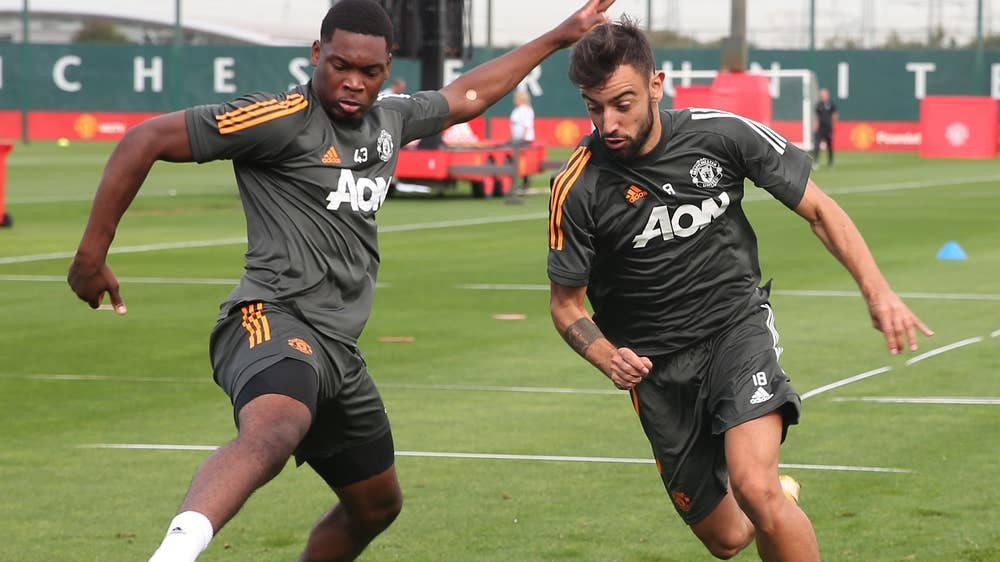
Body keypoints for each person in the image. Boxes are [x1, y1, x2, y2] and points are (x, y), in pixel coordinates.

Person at [66, 1, 616, 560]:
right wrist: (92, 256)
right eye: (339, 66)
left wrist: (558, 36)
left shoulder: (390, 120)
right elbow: (145, 139)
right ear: (315, 55)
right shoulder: (278, 118)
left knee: (376, 505)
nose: (353, 82)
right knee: (272, 433)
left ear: (387, 68)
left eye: (369, 72)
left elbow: (465, 97)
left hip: (338, 352)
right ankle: (175, 553)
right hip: (269, 317)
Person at [547, 18, 932, 562]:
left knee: (756, 488)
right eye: (594, 107)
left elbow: (820, 210)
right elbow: (565, 305)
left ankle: (769, 494)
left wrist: (879, 293)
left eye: (623, 103)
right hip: (656, 369)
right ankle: (775, 498)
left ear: (656, 85)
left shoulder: (721, 134)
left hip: (735, 328)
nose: (609, 121)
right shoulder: (578, 187)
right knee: (728, 538)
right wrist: (607, 356)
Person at [508, 89, 536, 190]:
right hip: (518, 138)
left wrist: (521, 139)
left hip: (524, 139)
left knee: (522, 160)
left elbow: (526, 125)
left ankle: (524, 182)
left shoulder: (526, 110)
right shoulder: (517, 110)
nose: (514, 100)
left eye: (516, 98)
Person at [811, 87, 837, 169]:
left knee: (829, 145)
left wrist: (832, 125)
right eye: (821, 95)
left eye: (824, 94)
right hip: (820, 128)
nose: (822, 96)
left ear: (827, 95)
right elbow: (817, 117)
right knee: (817, 145)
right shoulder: (818, 105)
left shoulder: (831, 104)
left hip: (828, 128)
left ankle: (830, 162)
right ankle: (815, 162)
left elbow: (834, 115)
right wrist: (815, 126)